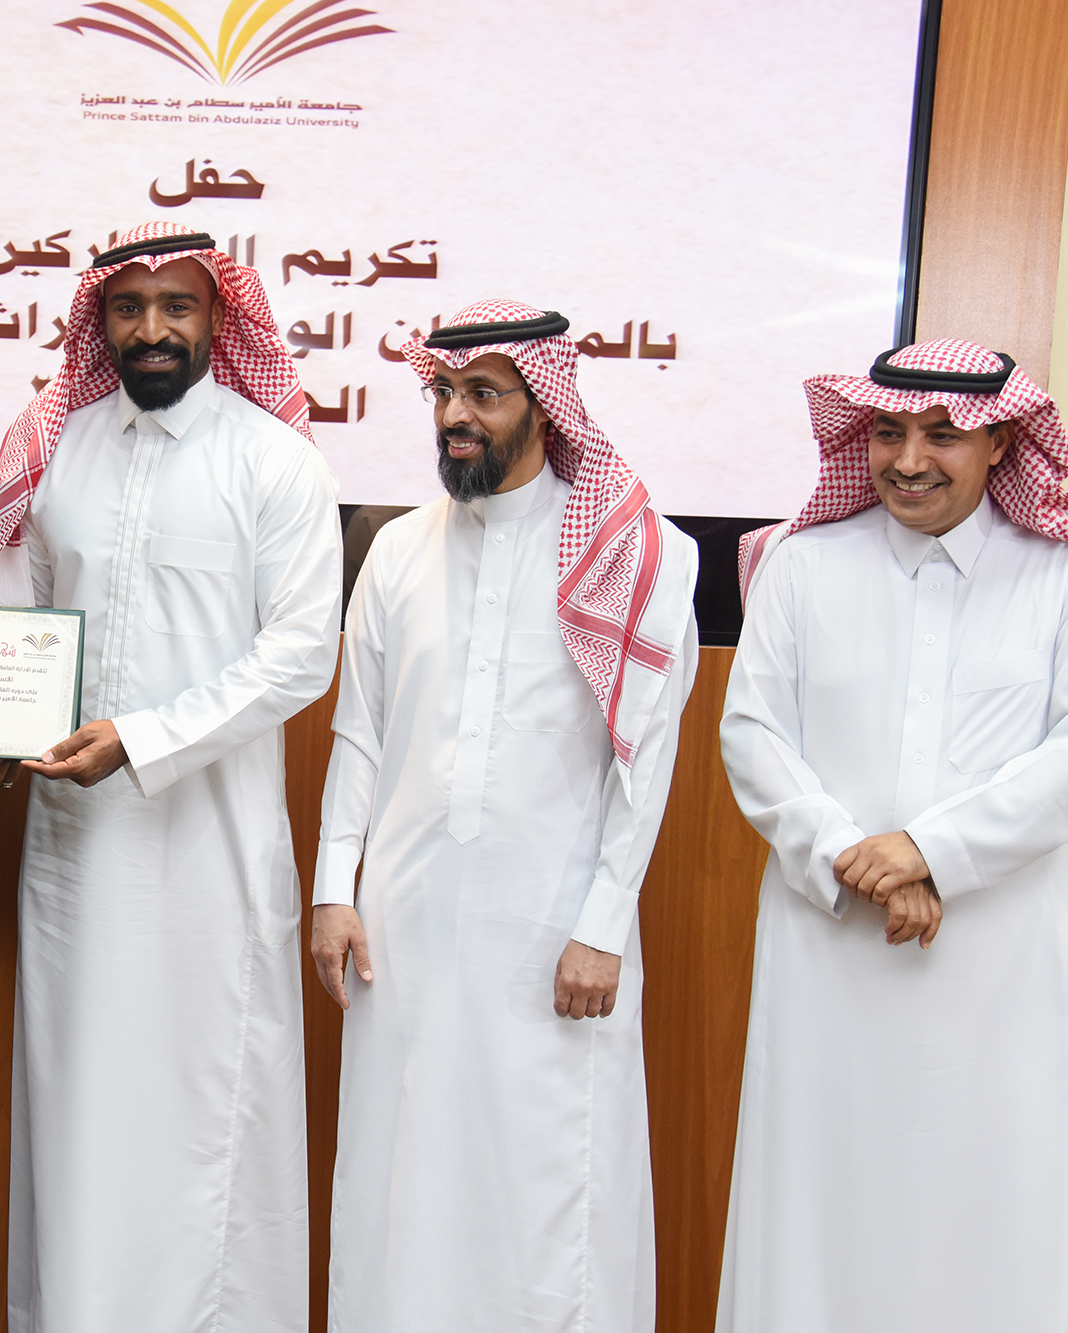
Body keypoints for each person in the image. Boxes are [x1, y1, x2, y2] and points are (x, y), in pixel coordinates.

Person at [0, 221, 343, 1332]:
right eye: (128, 308)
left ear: (218, 317)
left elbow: (300, 654)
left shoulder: (275, 460)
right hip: (73, 851)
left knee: (199, 1109)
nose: (152, 329)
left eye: (176, 306)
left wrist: (140, 740)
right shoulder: (52, 446)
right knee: (79, 1103)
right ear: (100, 320)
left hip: (207, 853)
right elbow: (18, 624)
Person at [307, 300, 698, 1331]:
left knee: (545, 1186)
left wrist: (603, 927)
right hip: (403, 926)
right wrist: (333, 890)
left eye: (483, 393)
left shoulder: (635, 554)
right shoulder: (397, 547)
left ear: (545, 404)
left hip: (555, 932)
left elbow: (644, 766)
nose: (453, 416)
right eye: (442, 391)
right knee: (400, 1171)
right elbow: (358, 732)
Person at [718, 340, 1068, 1332]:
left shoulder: (1064, 573)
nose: (908, 460)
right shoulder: (801, 564)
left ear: (1000, 440)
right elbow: (751, 734)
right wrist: (854, 855)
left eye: (941, 436)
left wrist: (929, 850)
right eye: (887, 432)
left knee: (996, 1198)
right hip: (828, 945)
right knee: (820, 1196)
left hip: (1002, 963)